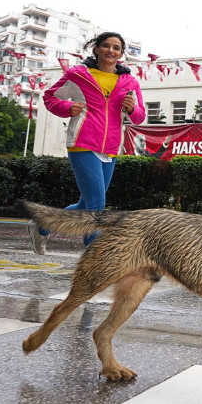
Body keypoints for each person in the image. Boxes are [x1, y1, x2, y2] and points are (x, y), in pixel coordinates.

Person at [28, 31, 145, 255]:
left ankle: (42, 224)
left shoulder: (129, 82)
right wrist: (67, 108)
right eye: (106, 46)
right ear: (96, 49)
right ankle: (94, 256)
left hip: (111, 148)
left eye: (116, 48)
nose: (111, 50)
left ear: (121, 54)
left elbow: (140, 117)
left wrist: (132, 109)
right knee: (96, 203)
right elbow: (50, 97)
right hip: (82, 142)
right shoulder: (78, 75)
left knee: (85, 205)